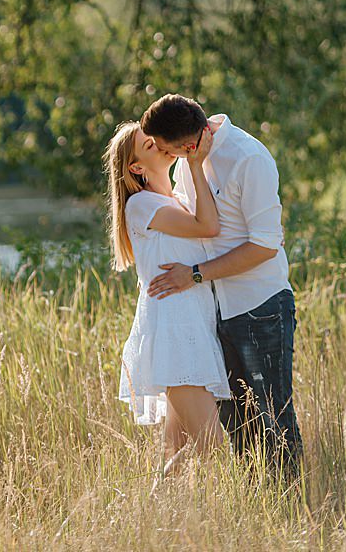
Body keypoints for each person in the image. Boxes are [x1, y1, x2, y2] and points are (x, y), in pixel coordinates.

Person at [140, 94, 303, 474]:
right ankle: (254, 509)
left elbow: (264, 245)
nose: (165, 156)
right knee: (237, 425)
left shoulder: (250, 158)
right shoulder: (189, 163)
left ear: (188, 144)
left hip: (260, 306)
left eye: (167, 150)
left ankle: (293, 508)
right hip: (213, 311)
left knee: (274, 417)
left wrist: (194, 273)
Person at [106, 121, 231, 474]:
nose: (162, 144)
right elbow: (207, 227)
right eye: (150, 146)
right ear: (136, 168)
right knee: (213, 449)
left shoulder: (173, 200)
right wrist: (195, 162)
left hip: (193, 326)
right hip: (176, 334)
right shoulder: (143, 205)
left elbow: (210, 238)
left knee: (177, 454)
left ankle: (163, 523)